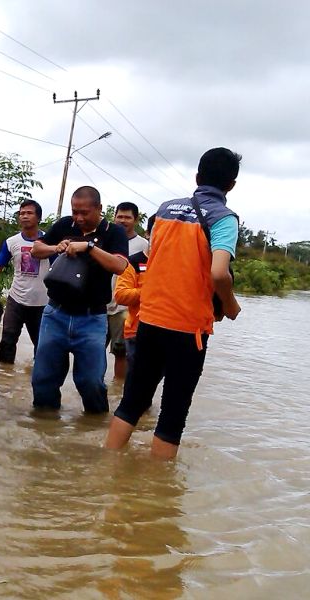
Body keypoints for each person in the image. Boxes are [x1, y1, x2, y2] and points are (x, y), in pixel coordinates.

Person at [106, 148, 242, 459]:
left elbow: (160, 261)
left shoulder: (165, 210)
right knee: (172, 415)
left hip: (150, 321)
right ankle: (157, 497)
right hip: (187, 328)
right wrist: (230, 306)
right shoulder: (224, 218)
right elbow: (219, 273)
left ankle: (109, 465)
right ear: (231, 185)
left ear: (197, 177)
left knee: (133, 402)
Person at [30, 186, 129, 413]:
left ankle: (95, 428)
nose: (79, 217)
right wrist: (57, 246)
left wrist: (89, 247)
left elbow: (120, 265)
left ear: (99, 209)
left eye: (84, 212)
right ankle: (44, 428)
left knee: (91, 382)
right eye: (75, 211)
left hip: (92, 318)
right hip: (55, 314)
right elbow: (36, 248)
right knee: (42, 380)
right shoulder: (65, 225)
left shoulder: (113, 232)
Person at [0, 199, 48, 364]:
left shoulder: (50, 242)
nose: (25, 216)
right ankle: (5, 379)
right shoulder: (11, 242)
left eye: (29, 213)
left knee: (42, 345)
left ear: (38, 218)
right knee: (7, 339)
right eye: (22, 213)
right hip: (16, 300)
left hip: (42, 303)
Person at [107, 202, 150, 379]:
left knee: (121, 352)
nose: (122, 220)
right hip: (99, 303)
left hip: (124, 308)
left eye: (127, 217)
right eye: (120, 216)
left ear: (136, 220)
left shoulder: (143, 245)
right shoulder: (105, 239)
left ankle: (118, 390)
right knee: (92, 349)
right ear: (114, 217)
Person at [113, 215, 156, 378]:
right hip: (137, 331)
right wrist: (151, 291)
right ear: (148, 234)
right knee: (135, 381)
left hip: (166, 332)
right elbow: (121, 295)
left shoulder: (177, 264)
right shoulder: (134, 262)